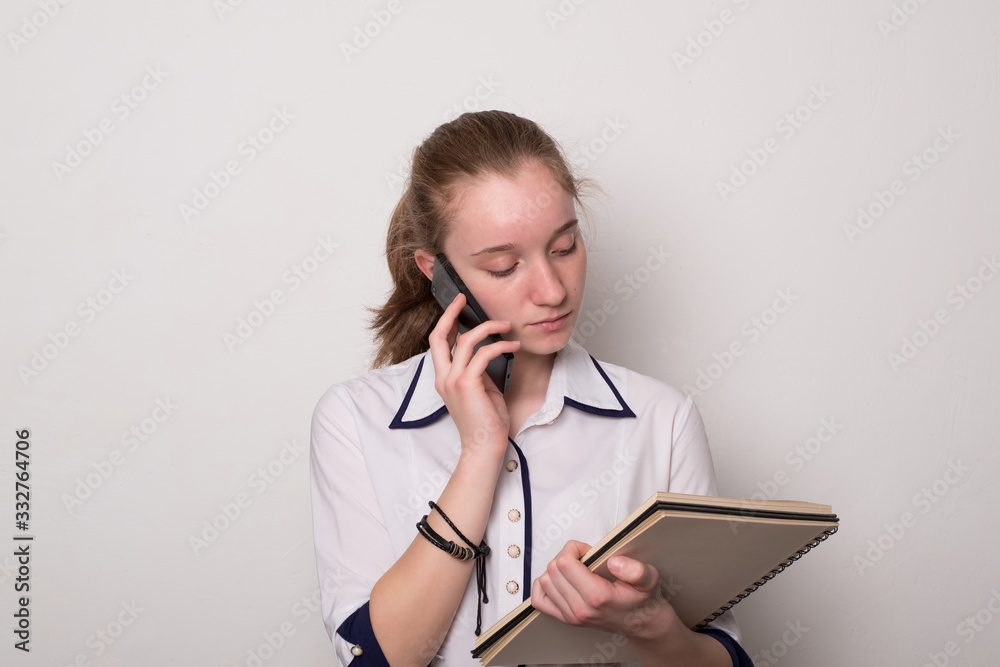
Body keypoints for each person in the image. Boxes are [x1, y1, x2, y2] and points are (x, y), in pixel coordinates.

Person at [309, 110, 753, 666]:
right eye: (503, 266)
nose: (551, 290)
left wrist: (648, 624)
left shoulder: (662, 419)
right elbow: (376, 662)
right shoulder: (354, 419)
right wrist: (480, 452)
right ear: (437, 273)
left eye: (565, 248)